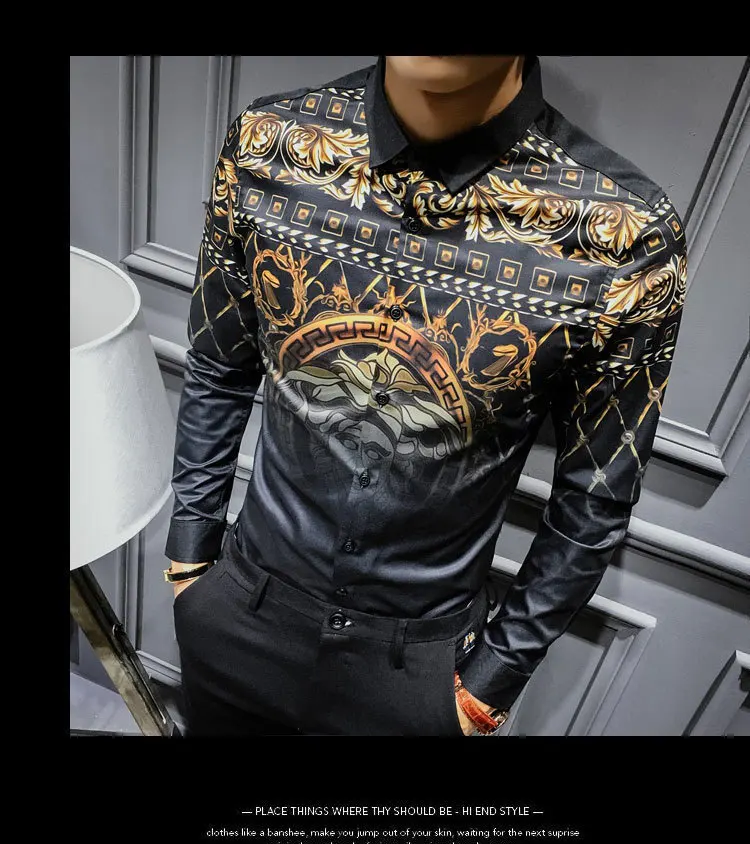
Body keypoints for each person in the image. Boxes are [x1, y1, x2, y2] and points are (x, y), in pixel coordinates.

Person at [163, 55, 688, 736]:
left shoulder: (623, 237)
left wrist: (491, 682)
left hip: (420, 679)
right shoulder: (270, 145)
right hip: (236, 619)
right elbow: (218, 363)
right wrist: (191, 559)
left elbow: (595, 496)